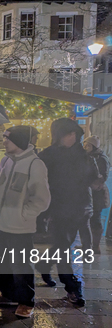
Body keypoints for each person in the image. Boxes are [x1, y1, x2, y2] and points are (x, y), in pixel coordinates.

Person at [0, 126, 51, 318]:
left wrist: (24, 215)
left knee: (21, 265)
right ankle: (8, 294)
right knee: (2, 262)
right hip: (1, 222)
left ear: (20, 141)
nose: (4, 141)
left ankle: (25, 301)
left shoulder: (35, 164)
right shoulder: (5, 160)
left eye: (8, 138)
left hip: (20, 226)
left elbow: (42, 199)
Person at [37, 118, 98, 306]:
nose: (71, 137)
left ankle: (44, 264)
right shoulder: (48, 155)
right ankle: (72, 287)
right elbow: (41, 182)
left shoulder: (84, 155)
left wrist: (96, 179)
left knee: (63, 245)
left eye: (74, 134)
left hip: (80, 207)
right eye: (67, 134)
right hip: (58, 208)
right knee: (63, 247)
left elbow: (93, 177)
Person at [80, 135, 110, 254]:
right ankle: (87, 245)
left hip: (97, 193)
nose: (86, 147)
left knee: (95, 219)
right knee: (85, 219)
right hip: (87, 191)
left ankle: (95, 246)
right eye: (85, 145)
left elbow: (103, 175)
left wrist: (94, 183)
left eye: (88, 145)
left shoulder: (101, 158)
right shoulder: (85, 157)